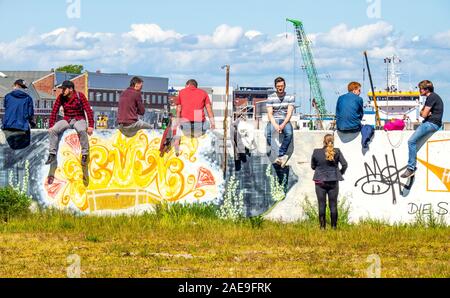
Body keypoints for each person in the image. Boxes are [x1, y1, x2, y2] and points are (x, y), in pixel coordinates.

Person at [401, 80, 444, 178]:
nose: (419, 90)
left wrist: (425, 113)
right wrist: (425, 113)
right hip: (434, 123)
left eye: (421, 88)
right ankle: (411, 167)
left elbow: (423, 114)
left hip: (431, 123)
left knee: (411, 141)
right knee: (412, 141)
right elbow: (423, 113)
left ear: (426, 89)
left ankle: (411, 168)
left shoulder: (431, 97)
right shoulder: (433, 97)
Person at [46, 80, 94, 166]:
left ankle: (85, 154)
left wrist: (91, 125)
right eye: (62, 89)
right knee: (53, 130)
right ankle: (52, 154)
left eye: (64, 89)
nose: (62, 91)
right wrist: (51, 125)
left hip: (79, 119)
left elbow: (88, 110)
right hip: (67, 119)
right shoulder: (61, 97)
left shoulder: (80, 96)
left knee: (82, 130)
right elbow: (54, 111)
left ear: (71, 89)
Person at [311, 134, 348, 230]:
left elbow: (313, 166)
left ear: (324, 141)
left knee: (321, 204)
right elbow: (345, 164)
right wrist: (339, 173)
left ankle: (322, 228)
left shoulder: (316, 152)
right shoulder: (337, 151)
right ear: (333, 141)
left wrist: (319, 168)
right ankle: (334, 227)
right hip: (333, 181)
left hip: (320, 181)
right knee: (333, 205)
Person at [266, 77, 295, 167]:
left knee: (289, 133)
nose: (280, 88)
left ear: (285, 86)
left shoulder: (290, 97)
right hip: (274, 119)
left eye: (282, 86)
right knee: (267, 133)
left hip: (285, 120)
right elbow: (270, 114)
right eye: (278, 86)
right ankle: (278, 153)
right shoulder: (271, 98)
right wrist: (275, 125)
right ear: (275, 87)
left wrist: (282, 125)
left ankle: (281, 153)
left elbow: (289, 113)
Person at [2, 79, 35, 150]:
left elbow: (7, 109)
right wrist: (32, 123)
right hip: (22, 129)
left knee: (7, 152)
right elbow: (30, 115)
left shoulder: (7, 96)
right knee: (23, 151)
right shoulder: (28, 98)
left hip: (7, 128)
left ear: (15, 86)